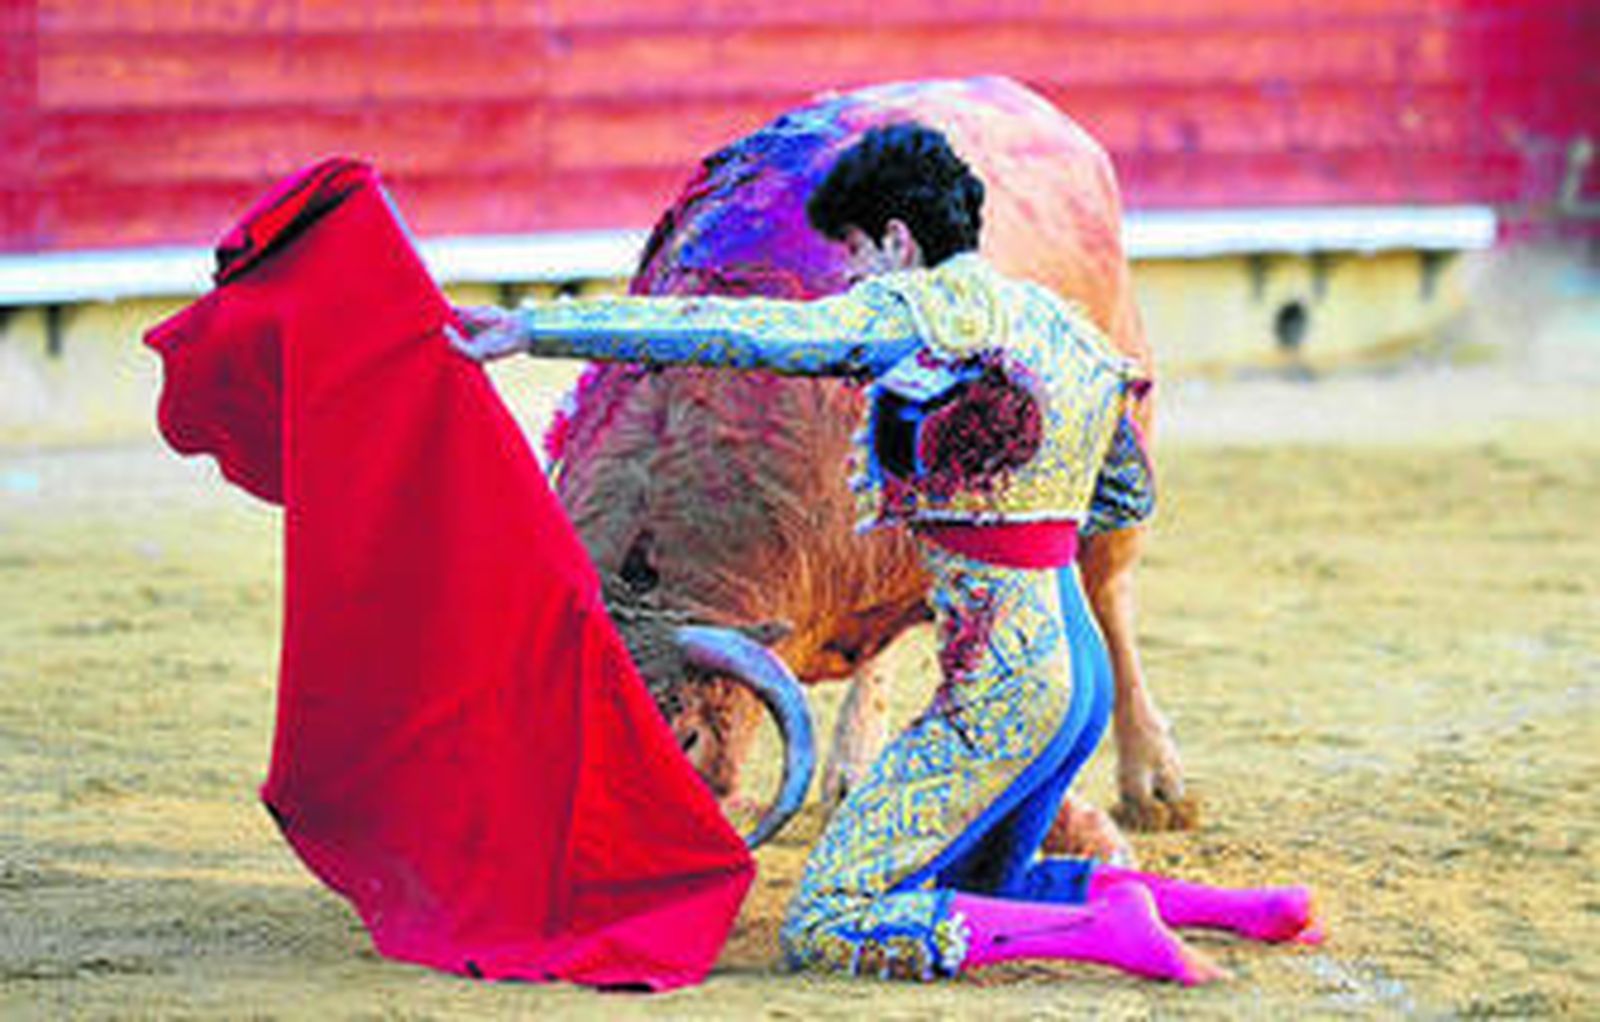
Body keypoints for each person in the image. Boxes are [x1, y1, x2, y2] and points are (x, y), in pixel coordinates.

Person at [452, 123, 1320, 984]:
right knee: (989, 884)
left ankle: (1111, 932)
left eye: (855, 254)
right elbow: (1125, 498)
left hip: (1005, 684)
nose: (849, 278)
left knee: (828, 923)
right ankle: (1241, 910)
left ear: (898, 240)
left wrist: (533, 330)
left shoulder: (906, 313)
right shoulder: (1066, 329)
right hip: (1080, 673)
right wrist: (1009, 493)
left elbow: (730, 332)